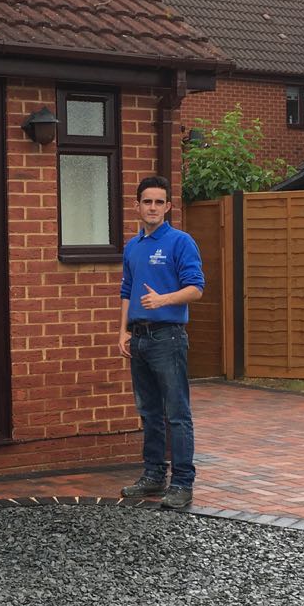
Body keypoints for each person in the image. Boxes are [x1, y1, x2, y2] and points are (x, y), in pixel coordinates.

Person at [118, 175, 204, 510]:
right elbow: (126, 291)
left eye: (159, 202)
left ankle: (182, 482)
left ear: (168, 207)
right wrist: (122, 331)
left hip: (167, 338)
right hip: (138, 339)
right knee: (149, 412)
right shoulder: (133, 246)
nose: (152, 208)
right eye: (146, 201)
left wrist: (164, 299)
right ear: (136, 205)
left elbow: (196, 288)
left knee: (177, 414)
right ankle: (153, 474)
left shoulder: (180, 242)